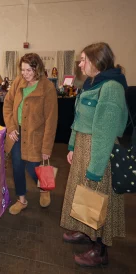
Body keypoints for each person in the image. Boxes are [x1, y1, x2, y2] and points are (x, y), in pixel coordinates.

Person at [60, 42, 127, 267]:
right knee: (83, 192)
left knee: (97, 197)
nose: (80, 64)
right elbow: (79, 119)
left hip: (98, 151)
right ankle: (86, 231)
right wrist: (71, 146)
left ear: (97, 61)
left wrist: (96, 169)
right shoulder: (91, 83)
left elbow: (105, 133)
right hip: (83, 146)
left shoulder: (111, 87)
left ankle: (100, 250)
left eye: (83, 60)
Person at [3, 53, 58, 215]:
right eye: (22, 70)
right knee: (17, 166)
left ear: (37, 68)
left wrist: (46, 147)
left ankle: (44, 188)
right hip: (17, 133)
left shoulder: (47, 87)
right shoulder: (18, 82)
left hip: (35, 135)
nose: (25, 74)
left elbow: (51, 120)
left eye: (28, 70)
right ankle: (21, 200)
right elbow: (7, 105)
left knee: (34, 167)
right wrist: (11, 127)